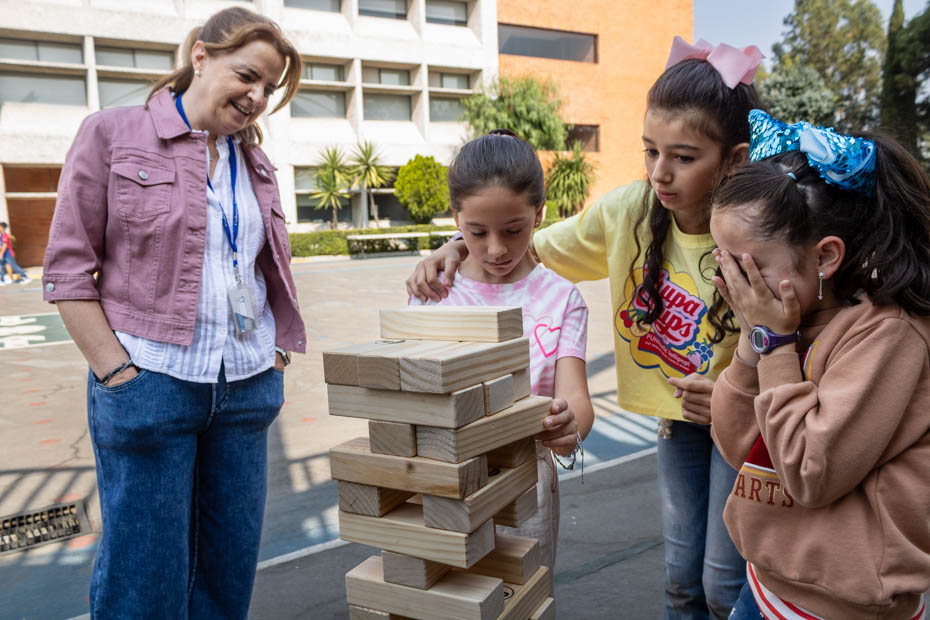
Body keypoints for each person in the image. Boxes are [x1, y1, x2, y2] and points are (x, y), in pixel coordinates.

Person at [407, 37, 764, 619]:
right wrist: (453, 247)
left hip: (744, 422)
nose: (659, 172)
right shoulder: (627, 212)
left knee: (723, 586)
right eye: (650, 151)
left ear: (734, 159)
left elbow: (795, 329)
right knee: (681, 580)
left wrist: (736, 392)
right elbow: (516, 244)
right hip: (677, 423)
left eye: (682, 157)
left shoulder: (757, 229)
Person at [42, 8, 303, 618]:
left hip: (246, 387)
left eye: (269, 88)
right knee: (144, 584)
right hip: (151, 384)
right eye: (248, 76)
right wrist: (116, 373)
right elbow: (67, 270)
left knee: (225, 578)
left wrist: (275, 355)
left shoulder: (254, 162)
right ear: (201, 57)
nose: (258, 97)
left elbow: (258, 268)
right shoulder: (112, 133)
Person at [710, 110, 930, 620]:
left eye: (748, 266)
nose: (733, 284)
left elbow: (811, 472)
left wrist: (776, 345)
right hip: (764, 585)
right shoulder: (786, 317)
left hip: (842, 607)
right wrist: (754, 343)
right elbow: (739, 446)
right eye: (721, 260)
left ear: (826, 257)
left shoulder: (889, 333)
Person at [410, 129, 594, 572]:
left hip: (524, 483)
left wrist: (569, 424)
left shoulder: (562, 299)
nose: (496, 249)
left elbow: (576, 398)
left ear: (539, 213)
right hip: (442, 478)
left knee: (522, 591)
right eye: (477, 232)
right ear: (455, 217)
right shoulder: (434, 290)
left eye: (514, 230)